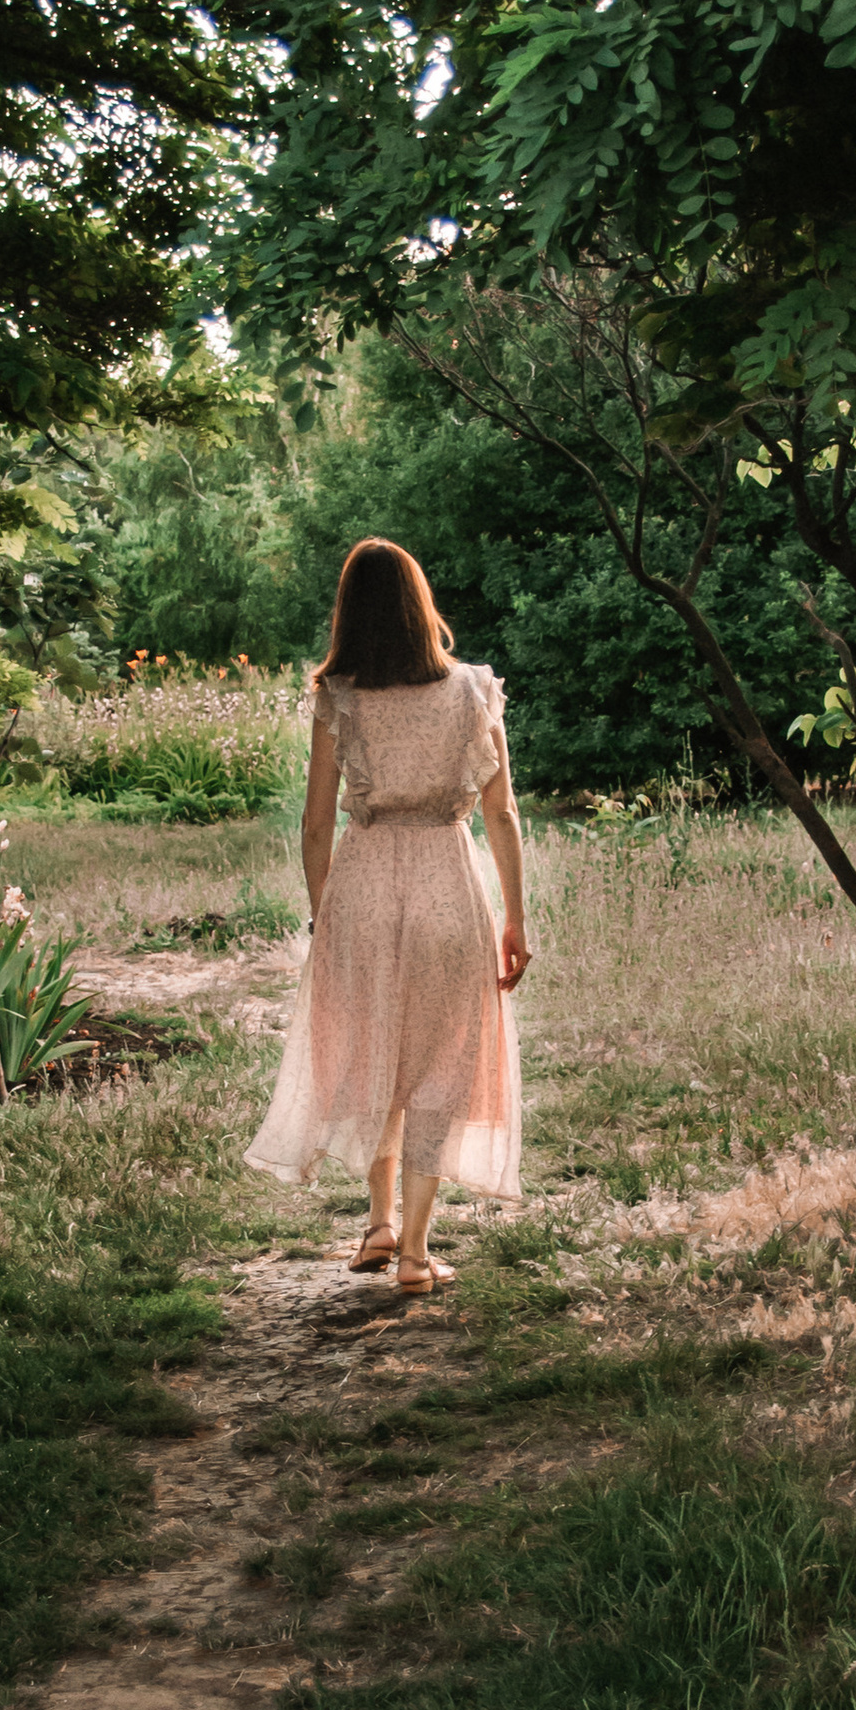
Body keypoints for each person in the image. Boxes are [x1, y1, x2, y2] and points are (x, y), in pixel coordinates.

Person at [246, 537, 529, 1294]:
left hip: (364, 887)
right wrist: (516, 921)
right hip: (447, 882)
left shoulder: (339, 696)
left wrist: (323, 919)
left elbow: (313, 827)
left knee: (374, 1052)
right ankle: (414, 1254)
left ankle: (377, 1225)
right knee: (441, 1061)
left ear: (351, 613)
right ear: (419, 604)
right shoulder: (473, 692)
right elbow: (502, 817)